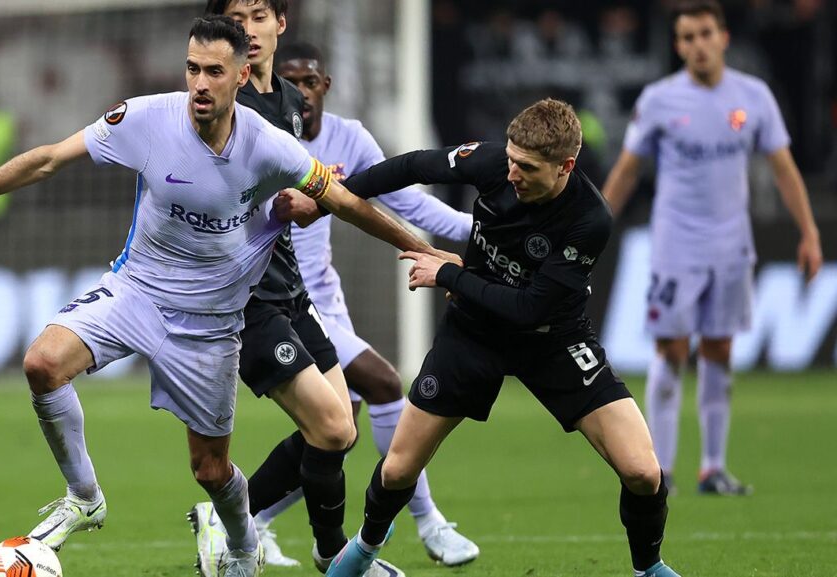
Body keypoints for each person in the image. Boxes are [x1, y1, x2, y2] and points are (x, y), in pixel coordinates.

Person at [0, 16, 438, 577]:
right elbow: (49, 158)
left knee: (211, 470)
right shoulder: (145, 118)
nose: (200, 83)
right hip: (136, 294)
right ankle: (84, 497)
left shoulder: (271, 147)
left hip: (212, 326)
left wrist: (422, 250)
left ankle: (242, 543)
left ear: (241, 75)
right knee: (42, 364)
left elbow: (346, 203)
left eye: (214, 71)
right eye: (192, 69)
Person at [280, 98, 682, 577]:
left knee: (642, 471)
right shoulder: (494, 163)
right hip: (472, 333)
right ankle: (364, 548)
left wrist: (451, 274)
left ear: (565, 167)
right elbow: (412, 166)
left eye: (527, 168)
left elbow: (530, 308)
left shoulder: (589, 219)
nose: (512, 174)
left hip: (553, 340)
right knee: (399, 469)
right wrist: (328, 197)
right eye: (511, 160)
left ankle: (649, 568)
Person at [190, 3, 452, 576]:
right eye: (235, 17)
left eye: (258, 15)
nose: (247, 29)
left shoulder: (288, 102)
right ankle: (281, 536)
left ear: (280, 23)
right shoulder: (223, 102)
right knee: (336, 423)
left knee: (339, 429)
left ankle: (282, 533)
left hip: (291, 288)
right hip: (245, 298)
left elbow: (317, 194)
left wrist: (302, 200)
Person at [242, 41, 479, 568]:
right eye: (290, 82)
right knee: (384, 383)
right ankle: (427, 522)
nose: (301, 92)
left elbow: (407, 202)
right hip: (279, 298)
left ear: (324, 85)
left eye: (309, 81)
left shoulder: (348, 136)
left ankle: (243, 516)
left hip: (323, 300)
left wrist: (479, 231)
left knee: (337, 429)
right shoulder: (259, 134)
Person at [601, 0, 822, 495]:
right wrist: (595, 225)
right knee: (672, 349)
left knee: (720, 349)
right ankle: (661, 469)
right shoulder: (659, 100)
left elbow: (784, 169)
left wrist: (808, 231)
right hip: (675, 244)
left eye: (705, 34)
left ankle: (713, 468)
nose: (698, 45)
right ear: (678, 46)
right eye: (688, 37)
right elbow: (627, 171)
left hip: (731, 245)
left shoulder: (754, 96)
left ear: (723, 37)